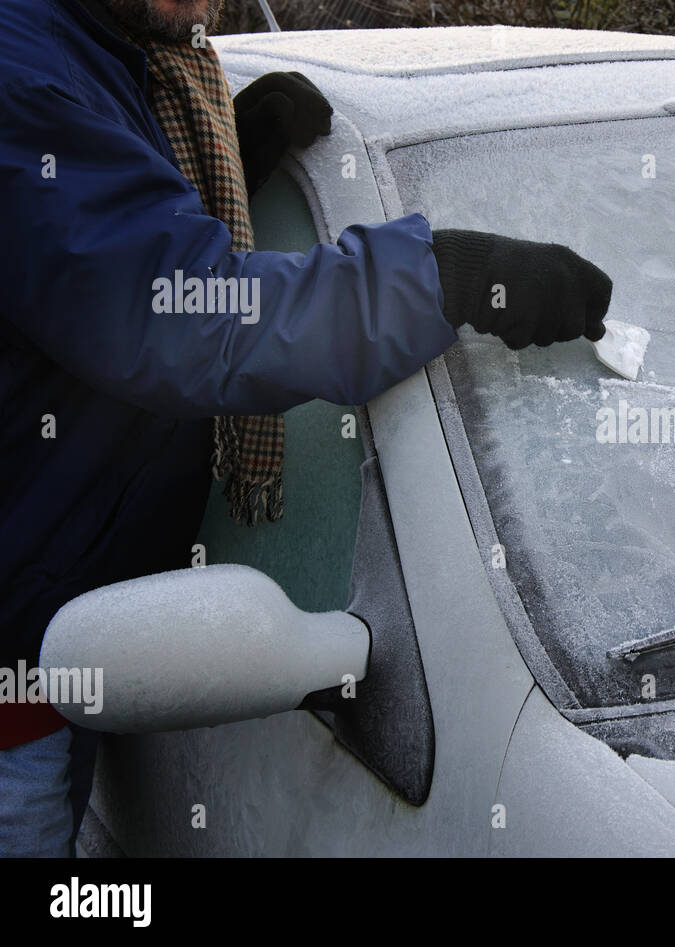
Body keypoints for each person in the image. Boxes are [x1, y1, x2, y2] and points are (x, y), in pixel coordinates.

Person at [0, 0, 613, 856]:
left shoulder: (124, 59)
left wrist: (218, 164)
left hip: (69, 632)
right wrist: (443, 279)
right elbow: (190, 317)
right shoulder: (25, 78)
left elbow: (103, 251)